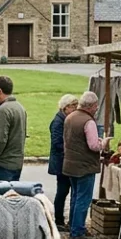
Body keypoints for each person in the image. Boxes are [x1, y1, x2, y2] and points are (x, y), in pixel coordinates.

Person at [64, 91, 108, 239]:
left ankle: (75, 226)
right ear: (91, 106)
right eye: (96, 106)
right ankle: (77, 231)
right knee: (83, 199)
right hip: (85, 165)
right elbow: (93, 145)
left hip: (71, 163)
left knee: (76, 197)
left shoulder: (70, 117)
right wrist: (103, 143)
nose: (97, 109)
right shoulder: (88, 122)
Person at [0, 75, 27, 182]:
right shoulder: (19, 107)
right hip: (16, 163)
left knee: (1, 197)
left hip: (3, 165)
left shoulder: (3, 110)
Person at [48, 94, 78, 229]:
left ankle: (62, 219)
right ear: (65, 107)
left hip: (65, 161)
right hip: (61, 163)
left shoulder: (65, 119)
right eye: (73, 106)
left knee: (64, 191)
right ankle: (59, 220)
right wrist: (70, 149)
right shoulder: (58, 121)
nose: (75, 109)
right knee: (62, 192)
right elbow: (57, 143)